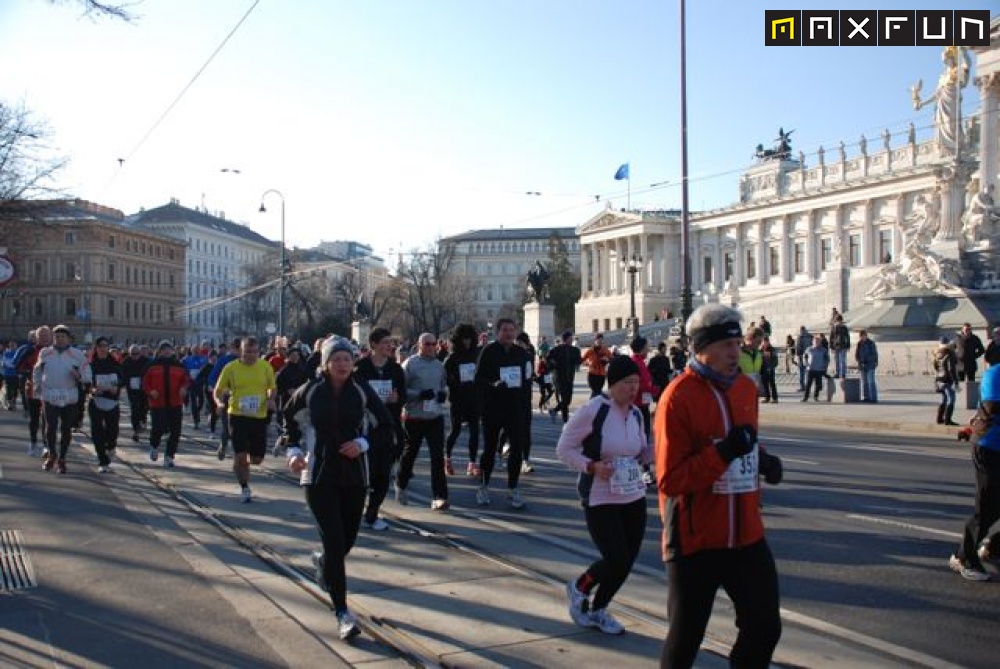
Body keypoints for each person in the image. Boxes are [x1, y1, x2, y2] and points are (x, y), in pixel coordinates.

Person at [654, 303, 783, 668]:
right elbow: (670, 478)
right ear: (700, 349)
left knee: (765, 626)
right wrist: (723, 453)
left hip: (746, 534)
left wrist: (766, 462)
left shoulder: (744, 389)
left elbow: (747, 445)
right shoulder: (678, 397)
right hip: (695, 539)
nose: (736, 353)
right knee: (685, 638)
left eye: (737, 344)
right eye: (726, 346)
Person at [283, 337, 393, 640]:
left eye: (347, 359)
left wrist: (362, 443)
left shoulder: (361, 391)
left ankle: (322, 563)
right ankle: (343, 613)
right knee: (334, 542)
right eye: (336, 359)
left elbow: (387, 427)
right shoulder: (312, 390)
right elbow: (289, 419)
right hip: (318, 475)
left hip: (355, 476)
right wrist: (293, 451)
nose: (343, 364)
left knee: (345, 543)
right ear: (326, 363)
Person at [557, 355, 651, 636]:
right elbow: (565, 448)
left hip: (632, 494)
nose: (633, 389)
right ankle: (579, 588)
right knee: (616, 558)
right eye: (627, 383)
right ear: (613, 383)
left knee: (627, 561)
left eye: (636, 383)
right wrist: (592, 466)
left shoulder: (635, 414)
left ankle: (599, 609)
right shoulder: (594, 410)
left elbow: (641, 451)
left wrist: (658, 450)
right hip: (600, 495)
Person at [950, 362, 1000, 581]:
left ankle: (994, 547)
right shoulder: (995, 373)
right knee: (988, 507)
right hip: (989, 447)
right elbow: (991, 407)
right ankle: (963, 557)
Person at [354, 327, 407, 529]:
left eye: (390, 342)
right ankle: (356, 508)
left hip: (388, 426)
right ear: (373, 345)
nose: (389, 346)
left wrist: (397, 399)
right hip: (365, 428)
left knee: (383, 474)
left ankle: (373, 512)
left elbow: (403, 395)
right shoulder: (360, 368)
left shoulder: (396, 369)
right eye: (385, 342)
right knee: (365, 473)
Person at [474, 318, 530, 508]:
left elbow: (527, 379)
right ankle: (483, 486)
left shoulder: (521, 352)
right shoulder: (489, 351)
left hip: (514, 407)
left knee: (517, 448)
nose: (509, 333)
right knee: (489, 450)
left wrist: (524, 402)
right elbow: (478, 378)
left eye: (512, 330)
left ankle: (513, 488)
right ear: (498, 332)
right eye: (505, 330)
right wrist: (493, 385)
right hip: (493, 407)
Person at [214, 336, 277, 502]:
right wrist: (219, 402)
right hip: (237, 415)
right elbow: (218, 390)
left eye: (255, 352)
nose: (251, 355)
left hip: (259, 417)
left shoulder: (265, 366)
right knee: (241, 456)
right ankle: (244, 487)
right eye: (248, 352)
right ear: (241, 352)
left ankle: (243, 459)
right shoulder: (231, 368)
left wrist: (271, 399)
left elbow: (272, 387)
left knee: (256, 459)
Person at [396, 332, 450, 510]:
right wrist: (418, 394)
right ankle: (401, 483)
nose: (430, 347)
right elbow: (401, 390)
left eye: (433, 344)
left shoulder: (439, 365)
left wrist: (443, 394)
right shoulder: (410, 364)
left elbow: (443, 385)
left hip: (434, 416)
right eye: (426, 344)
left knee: (437, 456)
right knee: (410, 453)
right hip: (414, 417)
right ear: (419, 345)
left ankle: (439, 496)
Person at [33, 324, 91, 473]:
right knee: (50, 427)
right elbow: (37, 371)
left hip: (69, 396)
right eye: (56, 337)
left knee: (66, 429)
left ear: (68, 338)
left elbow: (87, 374)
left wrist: (79, 377)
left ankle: (62, 458)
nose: (59, 340)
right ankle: (52, 455)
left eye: (62, 337)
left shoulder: (77, 354)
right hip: (50, 394)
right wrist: (37, 386)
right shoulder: (45, 352)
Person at [143, 340, 190, 468]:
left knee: (176, 431)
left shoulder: (179, 365)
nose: (166, 351)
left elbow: (186, 380)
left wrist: (184, 388)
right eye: (163, 349)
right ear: (159, 351)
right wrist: (150, 391)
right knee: (158, 428)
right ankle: (154, 446)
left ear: (173, 351)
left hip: (175, 403)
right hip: (158, 403)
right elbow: (145, 382)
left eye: (168, 349)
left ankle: (169, 456)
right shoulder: (152, 365)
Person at [443, 324, 481, 476]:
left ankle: (472, 462)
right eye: (464, 339)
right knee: (455, 430)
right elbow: (445, 378)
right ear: (458, 340)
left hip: (474, 396)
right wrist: (456, 380)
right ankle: (447, 458)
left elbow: (483, 373)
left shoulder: (477, 355)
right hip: (458, 398)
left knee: (475, 430)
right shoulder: (452, 358)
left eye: (470, 339)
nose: (467, 342)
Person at [88, 336, 123, 473]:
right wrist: (92, 389)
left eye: (105, 346)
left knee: (112, 431)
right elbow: (86, 383)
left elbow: (122, 379)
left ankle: (111, 446)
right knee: (97, 433)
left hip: (112, 402)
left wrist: (117, 387)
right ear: (96, 348)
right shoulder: (91, 365)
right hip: (96, 401)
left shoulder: (115, 364)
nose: (103, 348)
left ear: (108, 348)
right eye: (100, 346)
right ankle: (102, 461)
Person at [17, 327, 49, 455]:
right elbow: (18, 367)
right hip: (33, 389)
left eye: (46, 335)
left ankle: (46, 445)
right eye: (41, 336)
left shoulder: (54, 351)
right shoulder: (30, 351)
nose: (44, 338)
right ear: (36, 338)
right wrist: (31, 373)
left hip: (50, 390)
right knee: (34, 418)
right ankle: (33, 443)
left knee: (47, 419)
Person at [207, 339, 241, 460]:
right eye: (236, 348)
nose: (239, 351)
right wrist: (221, 389)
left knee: (243, 426)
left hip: (244, 399)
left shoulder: (250, 361)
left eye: (240, 348)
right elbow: (212, 377)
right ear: (231, 348)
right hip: (227, 398)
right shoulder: (224, 361)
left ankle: (240, 453)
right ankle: (224, 444)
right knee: (227, 425)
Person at [546, 330, 582, 424]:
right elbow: (548, 360)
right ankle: (565, 420)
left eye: (572, 338)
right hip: (559, 378)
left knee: (567, 400)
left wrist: (578, 359)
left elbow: (579, 361)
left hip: (570, 377)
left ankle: (554, 411)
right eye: (570, 338)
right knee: (564, 399)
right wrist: (553, 364)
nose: (572, 340)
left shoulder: (575, 350)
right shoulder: (556, 349)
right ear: (565, 339)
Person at [122, 344, 149, 442]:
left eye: (137, 354)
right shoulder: (126, 362)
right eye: (132, 354)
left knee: (143, 407)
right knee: (134, 408)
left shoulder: (145, 361)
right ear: (129, 354)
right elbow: (122, 375)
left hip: (143, 389)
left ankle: (143, 419)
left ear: (140, 353)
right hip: (132, 389)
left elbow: (149, 374)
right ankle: (135, 431)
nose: (135, 356)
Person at [934, 336, 960, 426]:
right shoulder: (950, 354)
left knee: (944, 398)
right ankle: (947, 420)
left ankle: (939, 418)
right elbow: (951, 369)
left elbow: (936, 367)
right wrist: (956, 382)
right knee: (951, 399)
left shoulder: (937, 353)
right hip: (947, 379)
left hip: (939, 379)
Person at [802, 334, 830, 402]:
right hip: (810, 369)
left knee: (818, 385)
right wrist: (806, 364)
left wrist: (825, 365)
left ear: (820, 342)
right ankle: (805, 397)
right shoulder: (809, 349)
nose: (816, 343)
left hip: (819, 369)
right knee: (808, 384)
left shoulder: (823, 350)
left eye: (818, 341)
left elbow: (827, 359)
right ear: (812, 342)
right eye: (815, 341)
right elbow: (804, 357)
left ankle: (816, 396)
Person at [855, 330, 879, 403]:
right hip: (862, 365)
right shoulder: (859, 344)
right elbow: (857, 354)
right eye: (861, 336)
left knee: (871, 382)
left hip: (870, 365)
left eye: (864, 336)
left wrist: (868, 361)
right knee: (864, 382)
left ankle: (873, 398)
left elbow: (874, 354)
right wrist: (859, 361)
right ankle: (866, 397)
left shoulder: (871, 343)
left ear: (866, 335)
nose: (863, 337)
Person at [759, 336, 779, 403]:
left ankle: (775, 398)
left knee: (772, 384)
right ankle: (767, 398)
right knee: (765, 384)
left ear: (768, 342)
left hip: (770, 369)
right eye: (763, 342)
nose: (764, 343)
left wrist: (771, 367)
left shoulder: (772, 349)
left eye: (765, 342)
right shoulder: (761, 350)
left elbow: (775, 361)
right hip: (763, 369)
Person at [830, 314, 851, 379]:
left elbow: (847, 337)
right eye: (838, 321)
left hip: (843, 346)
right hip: (836, 346)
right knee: (836, 360)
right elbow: (831, 338)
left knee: (842, 360)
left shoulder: (844, 328)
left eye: (840, 321)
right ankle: (837, 373)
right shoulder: (834, 328)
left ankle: (843, 374)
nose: (839, 322)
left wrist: (848, 346)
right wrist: (831, 347)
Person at [794, 326, 811, 391]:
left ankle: (802, 387)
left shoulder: (800, 337)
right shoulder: (810, 337)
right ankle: (807, 386)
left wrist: (797, 357)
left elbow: (798, 348)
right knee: (807, 372)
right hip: (808, 356)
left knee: (801, 372)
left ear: (801, 330)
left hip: (801, 356)